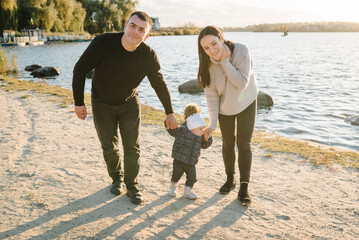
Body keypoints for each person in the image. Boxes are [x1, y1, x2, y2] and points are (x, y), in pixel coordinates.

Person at [72, 11, 178, 205]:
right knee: (109, 147)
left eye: (141, 30)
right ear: (125, 26)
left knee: (132, 146)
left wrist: (170, 112)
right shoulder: (103, 43)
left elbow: (159, 84)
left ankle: (132, 184)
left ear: (146, 35)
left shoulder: (148, 55)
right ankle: (116, 179)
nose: (135, 32)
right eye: (132, 26)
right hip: (101, 102)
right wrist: (79, 102)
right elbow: (80, 69)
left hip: (129, 102)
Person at [197, 26, 258, 205]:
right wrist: (212, 124)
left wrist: (224, 61)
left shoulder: (241, 50)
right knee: (228, 143)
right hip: (226, 107)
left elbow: (241, 83)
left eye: (214, 43)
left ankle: (244, 187)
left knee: (244, 143)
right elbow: (211, 97)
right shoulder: (206, 66)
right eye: (206, 48)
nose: (212, 50)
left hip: (246, 99)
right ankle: (230, 180)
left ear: (222, 38)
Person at [165, 103, 213, 200]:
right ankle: (173, 187)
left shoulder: (199, 135)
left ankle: (188, 190)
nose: (202, 130)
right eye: (200, 129)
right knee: (176, 175)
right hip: (179, 160)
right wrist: (167, 123)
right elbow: (173, 131)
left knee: (192, 178)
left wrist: (208, 138)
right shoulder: (182, 130)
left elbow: (204, 146)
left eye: (202, 128)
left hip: (191, 162)